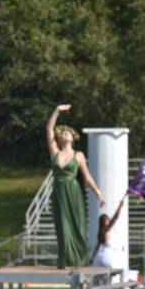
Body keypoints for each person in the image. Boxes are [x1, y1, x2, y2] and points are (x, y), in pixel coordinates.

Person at [46, 104, 105, 268]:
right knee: (62, 226)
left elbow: (87, 176)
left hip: (74, 192)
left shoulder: (78, 155)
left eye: (69, 133)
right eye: (64, 132)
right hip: (59, 191)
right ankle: (64, 259)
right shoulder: (55, 151)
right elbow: (49, 129)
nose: (67, 133)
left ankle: (79, 259)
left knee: (76, 227)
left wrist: (98, 193)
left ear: (72, 138)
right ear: (60, 138)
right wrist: (57, 110)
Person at [91, 198, 126, 268]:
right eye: (108, 219)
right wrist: (120, 206)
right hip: (108, 257)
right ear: (105, 222)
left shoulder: (101, 232)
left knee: (101, 278)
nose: (109, 220)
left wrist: (91, 258)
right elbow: (115, 217)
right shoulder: (106, 229)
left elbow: (97, 247)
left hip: (102, 258)